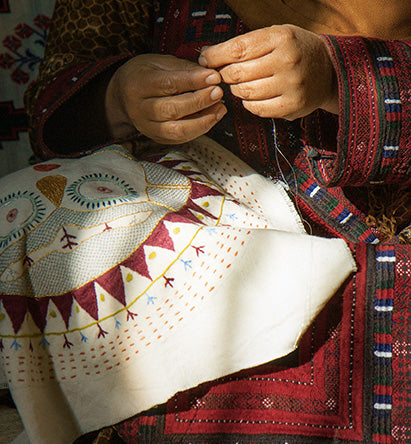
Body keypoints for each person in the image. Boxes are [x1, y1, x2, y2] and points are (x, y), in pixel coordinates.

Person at [19, 0, 411, 442]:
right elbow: (52, 102)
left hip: (380, 247)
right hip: (185, 230)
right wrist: (120, 96)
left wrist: (340, 78)